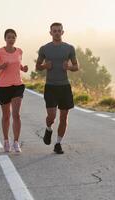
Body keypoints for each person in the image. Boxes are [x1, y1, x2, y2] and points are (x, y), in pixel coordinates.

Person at [35, 22, 79, 154]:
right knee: (52, 116)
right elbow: (37, 66)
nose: (57, 33)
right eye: (54, 31)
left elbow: (76, 67)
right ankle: (48, 128)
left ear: (63, 32)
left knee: (64, 117)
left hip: (64, 86)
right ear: (50, 33)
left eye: (59, 30)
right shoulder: (44, 49)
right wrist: (44, 66)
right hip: (51, 86)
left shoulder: (69, 48)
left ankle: (58, 143)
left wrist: (69, 67)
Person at [0, 29, 28, 153]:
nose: (11, 39)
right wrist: (0, 67)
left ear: (16, 39)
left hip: (17, 86)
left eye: (13, 37)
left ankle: (16, 142)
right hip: (4, 87)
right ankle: (6, 140)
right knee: (6, 116)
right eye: (9, 37)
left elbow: (18, 65)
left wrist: (23, 68)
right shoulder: (0, 52)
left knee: (16, 114)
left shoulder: (19, 51)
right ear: (5, 39)